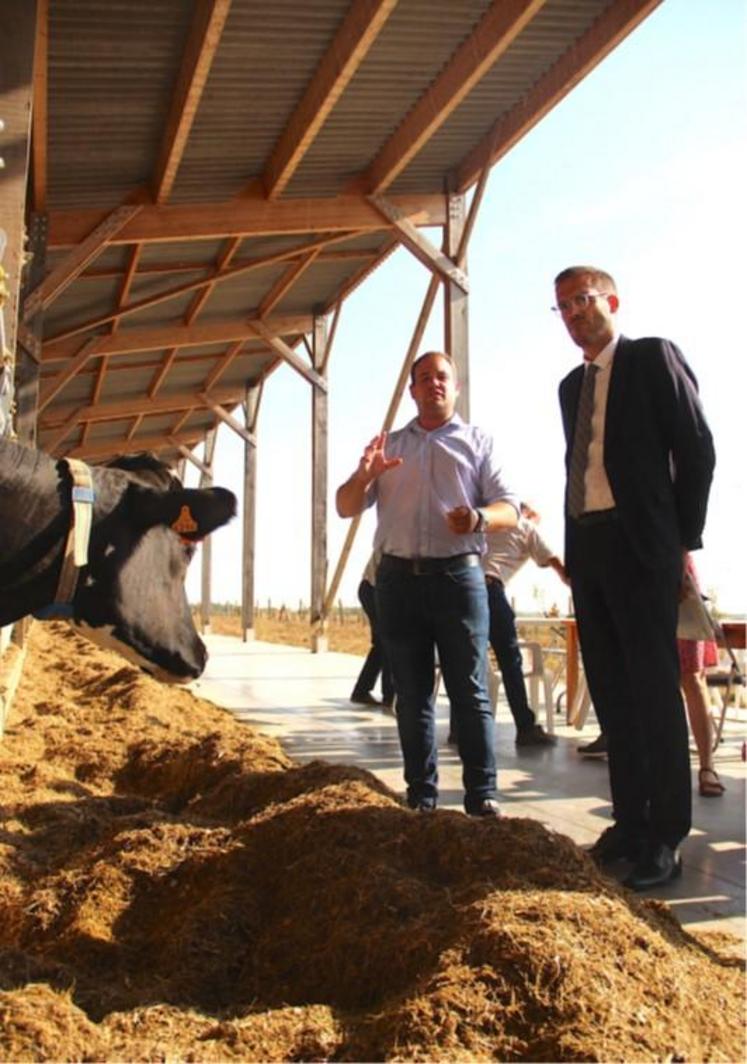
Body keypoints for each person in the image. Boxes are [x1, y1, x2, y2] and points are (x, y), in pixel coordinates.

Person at [555, 265, 715, 891]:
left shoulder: (652, 359)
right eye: (563, 308)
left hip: (642, 545)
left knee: (653, 691)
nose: (574, 315)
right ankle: (628, 822)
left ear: (612, 301)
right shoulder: (571, 387)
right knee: (613, 695)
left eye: (583, 301)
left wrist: (680, 541)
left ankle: (666, 834)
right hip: (588, 548)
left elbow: (697, 447)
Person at [336, 351, 519, 816]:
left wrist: (478, 518)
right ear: (412, 391)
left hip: (459, 577)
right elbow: (344, 505)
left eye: (442, 377)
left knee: (469, 689)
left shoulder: (478, 442)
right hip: (397, 580)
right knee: (412, 693)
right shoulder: (389, 446)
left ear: (455, 387)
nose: (434, 384)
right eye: (424, 378)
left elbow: (509, 508)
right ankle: (421, 795)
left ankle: (482, 795)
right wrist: (364, 474)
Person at [482, 502, 567, 747]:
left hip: (464, 587)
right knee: (510, 661)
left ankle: (461, 729)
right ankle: (525, 727)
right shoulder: (527, 525)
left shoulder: (490, 525)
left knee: (466, 660)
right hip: (490, 590)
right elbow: (555, 562)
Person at [678, 554, 724, 797]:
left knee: (693, 676)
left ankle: (707, 766)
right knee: (652, 680)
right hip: (639, 581)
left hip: (678, 574)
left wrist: (680, 569)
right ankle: (663, 768)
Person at [350, 553, 395, 711]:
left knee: (382, 643)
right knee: (388, 641)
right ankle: (389, 695)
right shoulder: (397, 538)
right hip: (374, 589)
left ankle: (362, 690)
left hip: (374, 589)